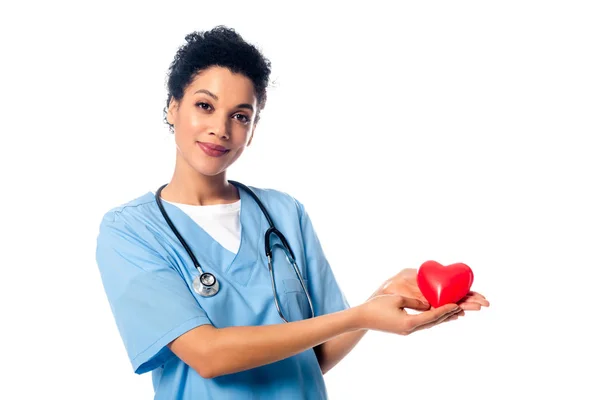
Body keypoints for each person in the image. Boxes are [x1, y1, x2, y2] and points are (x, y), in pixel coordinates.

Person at [95, 26, 489, 399]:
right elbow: (208, 355)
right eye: (204, 106)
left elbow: (314, 356)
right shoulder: (130, 230)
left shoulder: (283, 213)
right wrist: (361, 316)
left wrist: (382, 296)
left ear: (253, 128)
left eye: (240, 115)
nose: (221, 129)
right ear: (172, 107)